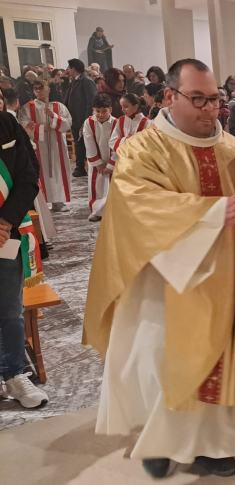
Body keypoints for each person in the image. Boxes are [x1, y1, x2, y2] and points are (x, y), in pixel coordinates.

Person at [84, 58, 235, 479]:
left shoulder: (232, 148)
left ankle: (213, 445)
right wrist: (215, 213)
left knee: (220, 356)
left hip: (225, 278)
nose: (208, 109)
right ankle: (160, 442)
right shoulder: (143, 148)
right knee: (161, 360)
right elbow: (138, 206)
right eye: (197, 99)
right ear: (169, 96)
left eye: (214, 99)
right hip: (164, 282)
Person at [0, 111, 48, 409]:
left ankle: (15, 374)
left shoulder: (7, 124)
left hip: (6, 235)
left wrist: (5, 221)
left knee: (10, 310)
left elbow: (30, 175)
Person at [18, 80, 72, 211]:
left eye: (41, 88)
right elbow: (23, 123)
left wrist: (53, 116)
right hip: (39, 146)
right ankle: (42, 203)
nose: (38, 91)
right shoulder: (28, 107)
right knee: (40, 172)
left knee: (58, 171)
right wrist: (41, 128)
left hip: (57, 144)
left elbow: (68, 123)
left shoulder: (58, 106)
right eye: (35, 89)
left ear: (48, 90)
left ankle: (58, 202)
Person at [82, 94, 115, 222]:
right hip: (96, 161)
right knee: (96, 186)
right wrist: (98, 163)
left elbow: (117, 143)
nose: (101, 114)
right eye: (98, 111)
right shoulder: (89, 122)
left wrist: (112, 163)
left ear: (110, 110)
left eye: (104, 111)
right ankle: (96, 211)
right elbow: (89, 142)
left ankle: (113, 210)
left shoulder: (117, 122)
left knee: (112, 186)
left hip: (113, 160)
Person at [63, 59, 98, 178]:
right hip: (74, 118)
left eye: (69, 68)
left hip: (82, 118)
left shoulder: (86, 81)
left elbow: (91, 101)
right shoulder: (74, 81)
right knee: (78, 143)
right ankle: (80, 167)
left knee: (84, 143)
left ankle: (83, 166)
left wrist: (86, 119)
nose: (67, 70)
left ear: (74, 68)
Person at [108, 93, 151, 170]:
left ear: (136, 106)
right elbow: (112, 142)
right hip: (122, 161)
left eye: (126, 107)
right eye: (121, 107)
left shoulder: (147, 123)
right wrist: (126, 140)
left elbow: (149, 145)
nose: (122, 109)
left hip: (140, 163)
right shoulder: (121, 120)